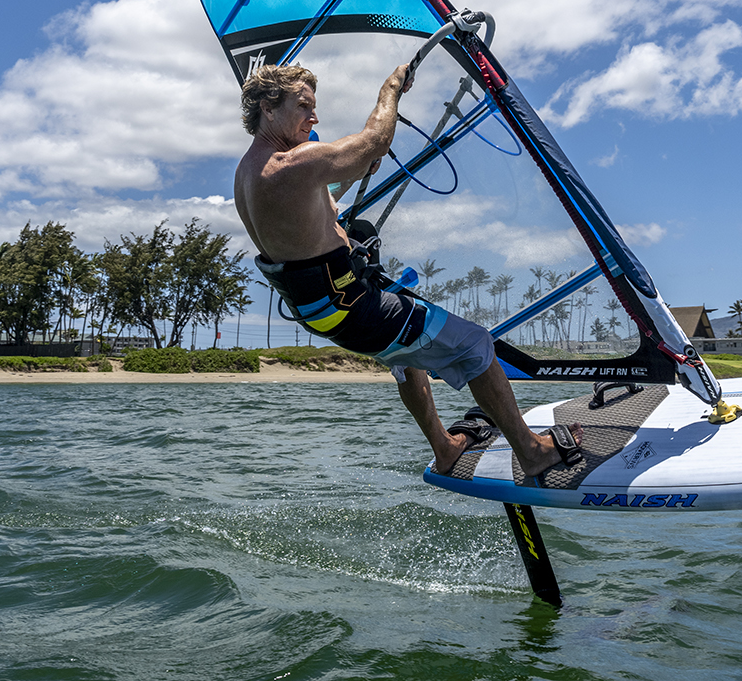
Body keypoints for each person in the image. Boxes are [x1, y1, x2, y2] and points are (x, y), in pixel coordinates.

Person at [233, 63, 581, 479]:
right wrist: (392, 89)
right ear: (268, 110)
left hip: (323, 313)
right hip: (355, 308)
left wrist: (354, 168)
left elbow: (312, 201)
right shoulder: (293, 163)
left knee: (409, 357)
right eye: (303, 106)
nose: (314, 117)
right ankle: (532, 451)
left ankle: (446, 447)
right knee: (476, 345)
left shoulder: (250, 173)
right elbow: (374, 141)